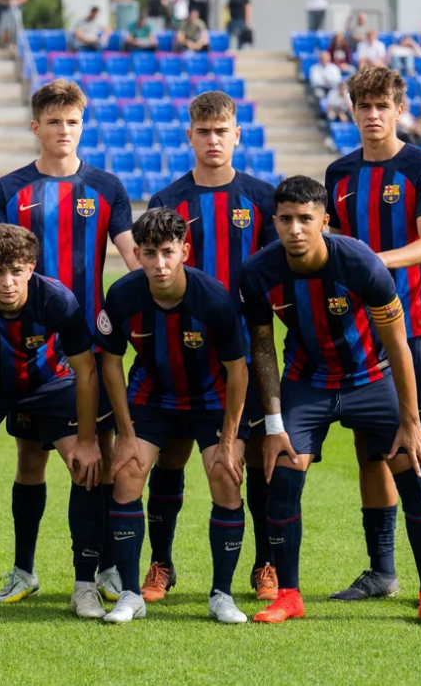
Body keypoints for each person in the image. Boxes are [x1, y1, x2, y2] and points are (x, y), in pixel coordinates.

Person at [239, 175, 421, 628]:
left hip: (369, 380)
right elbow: (261, 347)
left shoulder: (359, 261)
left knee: (412, 469)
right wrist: (275, 423)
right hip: (307, 382)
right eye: (285, 220)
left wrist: (411, 420)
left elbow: (398, 344)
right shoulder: (258, 272)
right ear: (274, 222)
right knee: (281, 475)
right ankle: (289, 594)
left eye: (305, 219)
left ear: (324, 220)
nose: (295, 229)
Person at [0, 79, 138, 606]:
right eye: (53, 122)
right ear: (36, 128)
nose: (63, 131)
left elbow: (131, 252)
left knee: (95, 457)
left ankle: (105, 569)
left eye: (72, 122)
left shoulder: (107, 187)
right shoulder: (9, 189)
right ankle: (24, 570)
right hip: (24, 349)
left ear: (82, 124)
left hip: (85, 349)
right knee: (29, 457)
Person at [323, 66, 421, 607]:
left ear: (399, 109)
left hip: (417, 323)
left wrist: (370, 262)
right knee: (369, 449)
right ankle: (382, 571)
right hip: (359, 329)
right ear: (351, 110)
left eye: (382, 105)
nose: (373, 114)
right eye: (363, 105)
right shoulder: (338, 173)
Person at [143, 91, 279, 604]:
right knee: (171, 455)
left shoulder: (263, 199)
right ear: (190, 137)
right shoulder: (167, 200)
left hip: (248, 351)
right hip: (178, 351)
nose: (213, 140)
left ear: (237, 135)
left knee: (259, 457)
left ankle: (264, 563)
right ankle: (161, 564)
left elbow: (274, 277)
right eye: (204, 132)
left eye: (222, 131)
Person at [0, 225, 105, 620]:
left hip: (48, 384)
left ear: (31, 267)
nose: (6, 283)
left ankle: (84, 586)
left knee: (85, 467)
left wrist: (87, 438)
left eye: (15, 271)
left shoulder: (58, 300)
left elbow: (86, 371)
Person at [95, 208, 250, 625]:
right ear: (138, 254)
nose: (159, 264)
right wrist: (124, 434)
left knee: (225, 477)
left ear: (184, 250)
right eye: (149, 253)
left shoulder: (214, 298)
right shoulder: (123, 295)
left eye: (167, 252)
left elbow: (238, 370)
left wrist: (232, 440)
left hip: (211, 398)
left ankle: (221, 595)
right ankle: (130, 595)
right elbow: (110, 363)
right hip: (152, 394)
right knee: (126, 472)